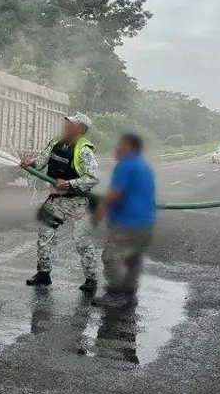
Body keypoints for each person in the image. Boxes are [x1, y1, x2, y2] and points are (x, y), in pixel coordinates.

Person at [20, 112, 99, 293]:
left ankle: (91, 279)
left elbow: (93, 178)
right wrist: (30, 162)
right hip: (56, 201)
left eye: (70, 123)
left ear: (80, 129)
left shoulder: (84, 150)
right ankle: (43, 274)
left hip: (78, 203)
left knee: (82, 242)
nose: (66, 125)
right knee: (44, 235)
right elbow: (40, 162)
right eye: (67, 123)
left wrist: (68, 183)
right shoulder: (56, 143)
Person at [91, 133, 156, 309]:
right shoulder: (144, 166)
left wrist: (99, 211)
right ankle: (129, 294)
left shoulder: (125, 165)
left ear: (129, 147)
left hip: (128, 223)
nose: (116, 148)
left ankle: (115, 295)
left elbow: (115, 193)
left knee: (111, 257)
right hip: (146, 223)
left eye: (119, 145)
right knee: (133, 259)